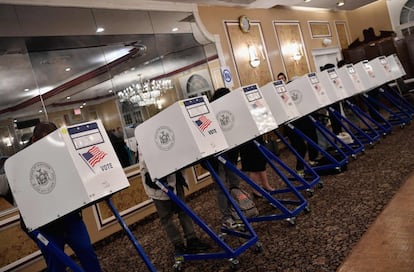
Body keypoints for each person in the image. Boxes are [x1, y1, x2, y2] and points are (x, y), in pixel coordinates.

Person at [21, 122, 102, 272]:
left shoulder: (61, 151)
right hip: (46, 226)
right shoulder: (20, 164)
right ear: (33, 141)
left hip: (70, 218)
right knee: (56, 265)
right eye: (43, 143)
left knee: (87, 253)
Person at [139, 151, 211, 255]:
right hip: (156, 181)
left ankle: (192, 239)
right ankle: (178, 244)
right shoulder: (143, 139)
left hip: (175, 178)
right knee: (166, 217)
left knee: (183, 211)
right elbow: (145, 159)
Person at [202, 87, 243, 229]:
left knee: (234, 183)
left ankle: (237, 211)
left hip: (229, 154)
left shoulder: (227, 111)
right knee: (221, 188)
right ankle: (226, 217)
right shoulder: (207, 115)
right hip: (215, 158)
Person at [280, 72, 320, 175]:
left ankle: (310, 161)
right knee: (301, 148)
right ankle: (300, 168)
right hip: (293, 124)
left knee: (310, 142)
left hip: (301, 122)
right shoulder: (286, 94)